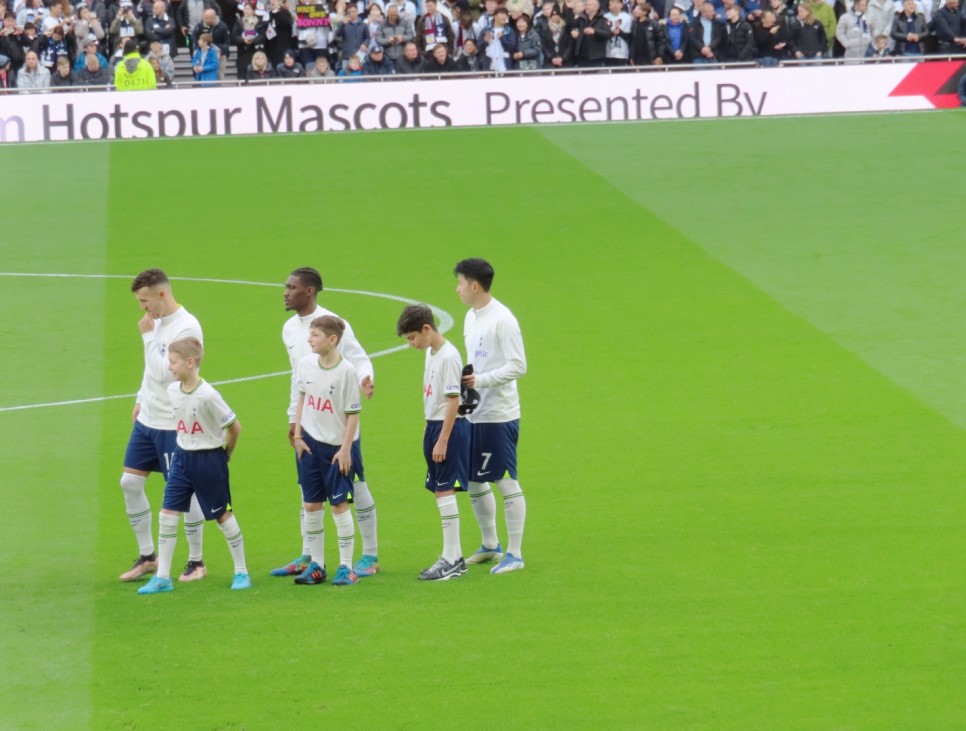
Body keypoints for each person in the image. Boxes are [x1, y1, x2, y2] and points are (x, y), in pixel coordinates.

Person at [271, 268, 380, 580]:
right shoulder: (290, 329)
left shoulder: (333, 323)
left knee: (354, 486)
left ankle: (370, 554)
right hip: (310, 424)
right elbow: (298, 377)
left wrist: (366, 378)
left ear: (309, 291)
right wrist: (295, 420)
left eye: (291, 287)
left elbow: (358, 358)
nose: (285, 292)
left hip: (339, 428)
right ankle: (309, 556)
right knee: (309, 490)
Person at [137, 337, 251, 595]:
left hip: (209, 460)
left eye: (173, 362)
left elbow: (234, 427)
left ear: (190, 362)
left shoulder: (208, 395)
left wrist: (225, 455)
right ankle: (163, 577)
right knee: (167, 514)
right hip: (181, 458)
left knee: (222, 516)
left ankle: (242, 571)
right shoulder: (173, 391)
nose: (169, 368)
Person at [119, 270, 207, 584]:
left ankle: (196, 561)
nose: (143, 309)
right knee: (129, 482)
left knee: (183, 492)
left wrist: (146, 336)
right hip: (149, 419)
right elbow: (149, 370)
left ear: (161, 295)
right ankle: (148, 557)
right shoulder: (156, 323)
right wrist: (140, 397)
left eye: (145, 301)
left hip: (173, 423)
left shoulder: (186, 326)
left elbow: (167, 374)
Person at [454, 258, 527, 575]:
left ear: (474, 285)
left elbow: (518, 365)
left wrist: (480, 381)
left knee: (504, 479)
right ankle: (490, 545)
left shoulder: (503, 320)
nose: (456, 289)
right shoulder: (471, 317)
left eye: (459, 283)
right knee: (472, 479)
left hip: (499, 414)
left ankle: (515, 553)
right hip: (475, 412)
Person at [396, 305, 470, 581]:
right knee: (440, 490)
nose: (410, 344)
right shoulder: (431, 352)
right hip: (434, 426)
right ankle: (457, 558)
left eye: (412, 337)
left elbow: (454, 401)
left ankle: (450, 559)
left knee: (444, 491)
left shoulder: (449, 357)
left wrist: (442, 440)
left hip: (446, 429)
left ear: (426, 329)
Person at [290, 316, 363, 587]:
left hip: (336, 449)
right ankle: (317, 565)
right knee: (310, 504)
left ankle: (346, 567)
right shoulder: (306, 364)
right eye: (310, 334)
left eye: (316, 334)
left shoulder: (347, 372)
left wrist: (346, 449)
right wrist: (297, 435)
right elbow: (301, 398)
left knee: (339, 505)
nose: (310, 339)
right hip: (309, 444)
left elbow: (353, 415)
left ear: (333, 340)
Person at [192, 8, 230, 79]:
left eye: (207, 18)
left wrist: (220, 51)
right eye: (204, 18)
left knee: (219, 76)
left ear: (213, 18)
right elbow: (194, 38)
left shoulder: (223, 27)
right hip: (203, 54)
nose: (205, 20)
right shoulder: (200, 26)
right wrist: (195, 49)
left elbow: (227, 43)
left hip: (219, 55)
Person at [232, 2, 265, 79]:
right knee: (242, 75)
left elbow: (263, 37)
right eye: (245, 9)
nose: (246, 11)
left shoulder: (259, 23)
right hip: (242, 52)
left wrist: (253, 41)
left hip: (256, 52)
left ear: (253, 11)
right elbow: (234, 36)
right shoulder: (239, 22)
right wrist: (243, 40)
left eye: (248, 9)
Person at [572, 0, 610, 66]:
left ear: (596, 7)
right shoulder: (581, 18)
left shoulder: (603, 19)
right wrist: (573, 31)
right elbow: (572, 26)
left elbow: (607, 34)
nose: (586, 7)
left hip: (596, 56)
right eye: (586, 5)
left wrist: (594, 31)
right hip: (581, 56)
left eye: (589, 5)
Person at [333, 1, 369, 67]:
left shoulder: (363, 25)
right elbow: (337, 34)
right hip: (347, 56)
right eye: (350, 12)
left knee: (360, 76)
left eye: (354, 11)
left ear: (357, 11)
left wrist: (365, 44)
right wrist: (342, 24)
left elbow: (367, 38)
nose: (352, 14)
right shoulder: (343, 24)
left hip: (360, 56)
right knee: (346, 76)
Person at [603, 0, 631, 64]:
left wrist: (619, 32)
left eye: (617, 3)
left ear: (622, 5)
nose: (615, 5)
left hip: (622, 52)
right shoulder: (605, 17)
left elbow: (629, 36)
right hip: (608, 51)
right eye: (612, 3)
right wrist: (611, 32)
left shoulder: (627, 17)